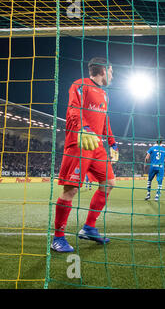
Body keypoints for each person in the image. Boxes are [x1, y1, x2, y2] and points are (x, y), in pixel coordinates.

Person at [51, 57, 119, 253]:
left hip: (97, 146)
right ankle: (58, 238)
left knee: (109, 183)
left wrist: (112, 141)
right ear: (104, 70)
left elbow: (105, 120)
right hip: (79, 143)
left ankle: (89, 227)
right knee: (70, 190)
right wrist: (84, 128)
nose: (112, 76)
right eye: (112, 72)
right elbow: (73, 108)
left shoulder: (105, 95)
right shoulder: (80, 84)